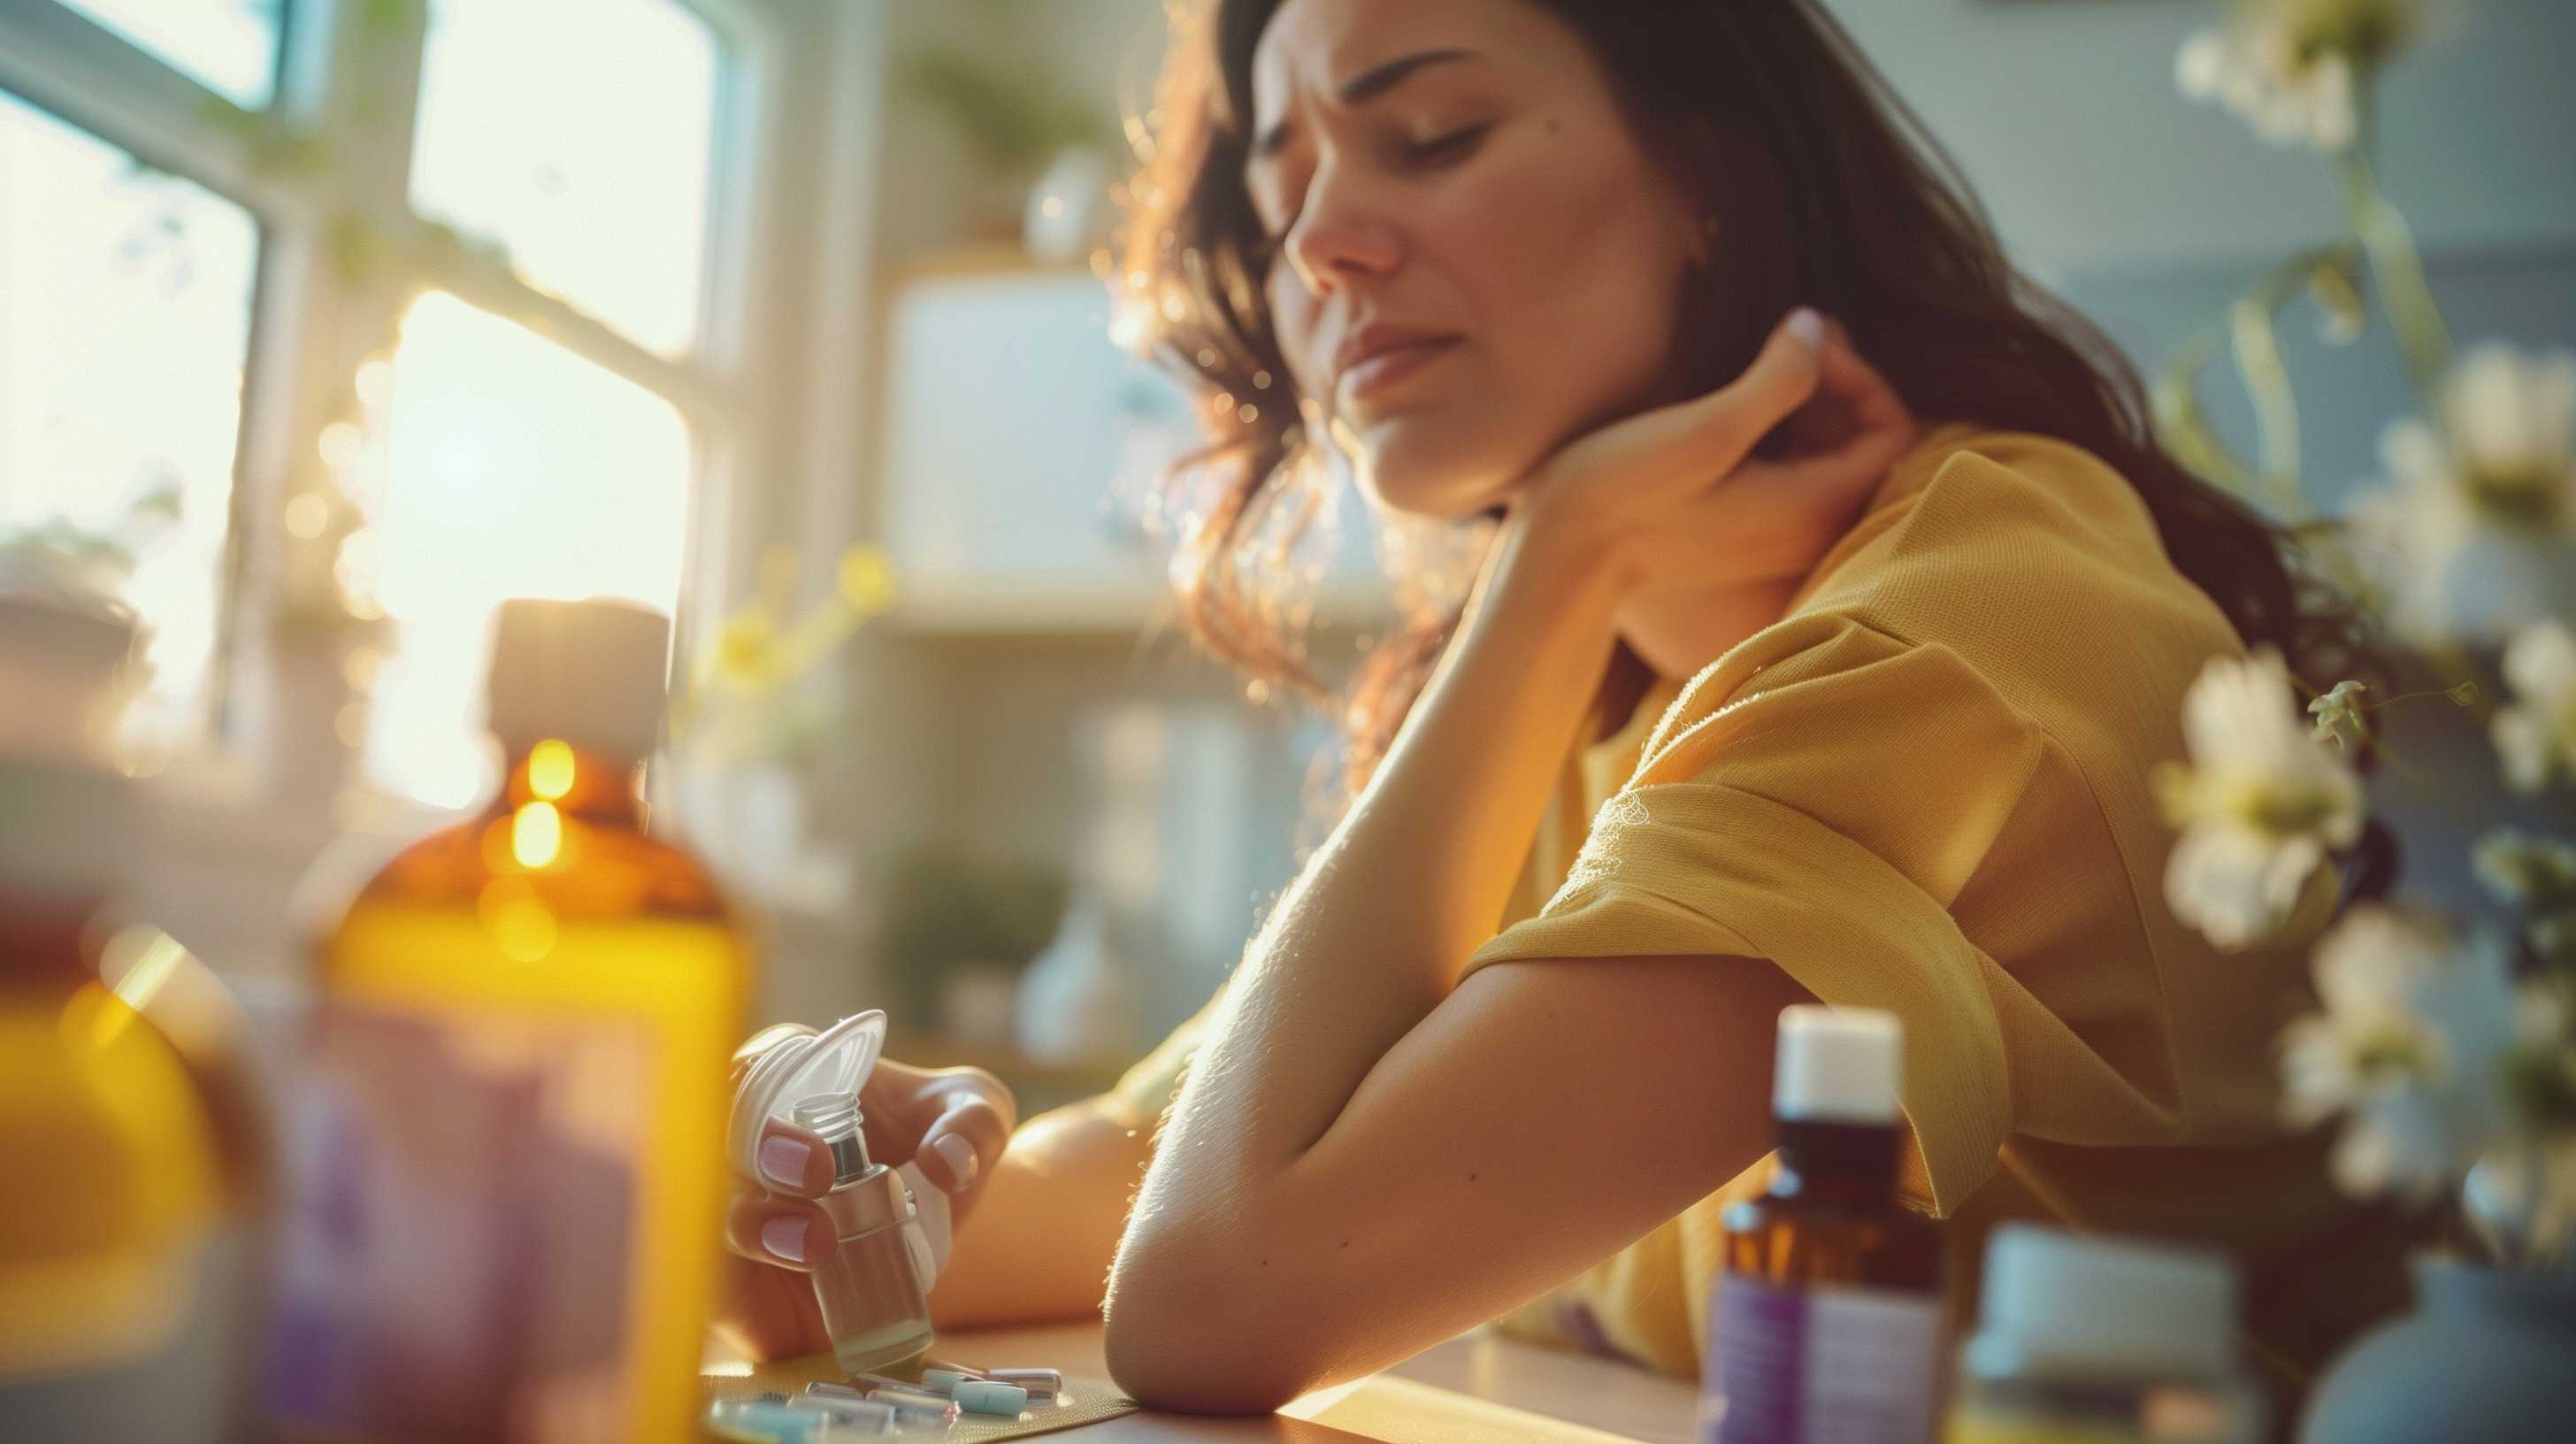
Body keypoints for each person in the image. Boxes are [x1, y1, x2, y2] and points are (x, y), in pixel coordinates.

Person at [717, 0, 2424, 1422]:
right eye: (1280, 173)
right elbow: (1127, 1182)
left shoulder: (1969, 616)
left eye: (1432, 135)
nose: (1313, 242)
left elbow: (1212, 1299)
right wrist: (808, 1188)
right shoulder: (1584, 710)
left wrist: (1561, 555)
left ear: (1704, 180)